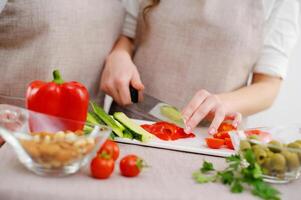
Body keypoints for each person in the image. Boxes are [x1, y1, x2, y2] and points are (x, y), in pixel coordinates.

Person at [100, 0, 300, 134]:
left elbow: (268, 86)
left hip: (209, 141)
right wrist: (119, 55)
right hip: (132, 126)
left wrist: (223, 103)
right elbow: (128, 36)